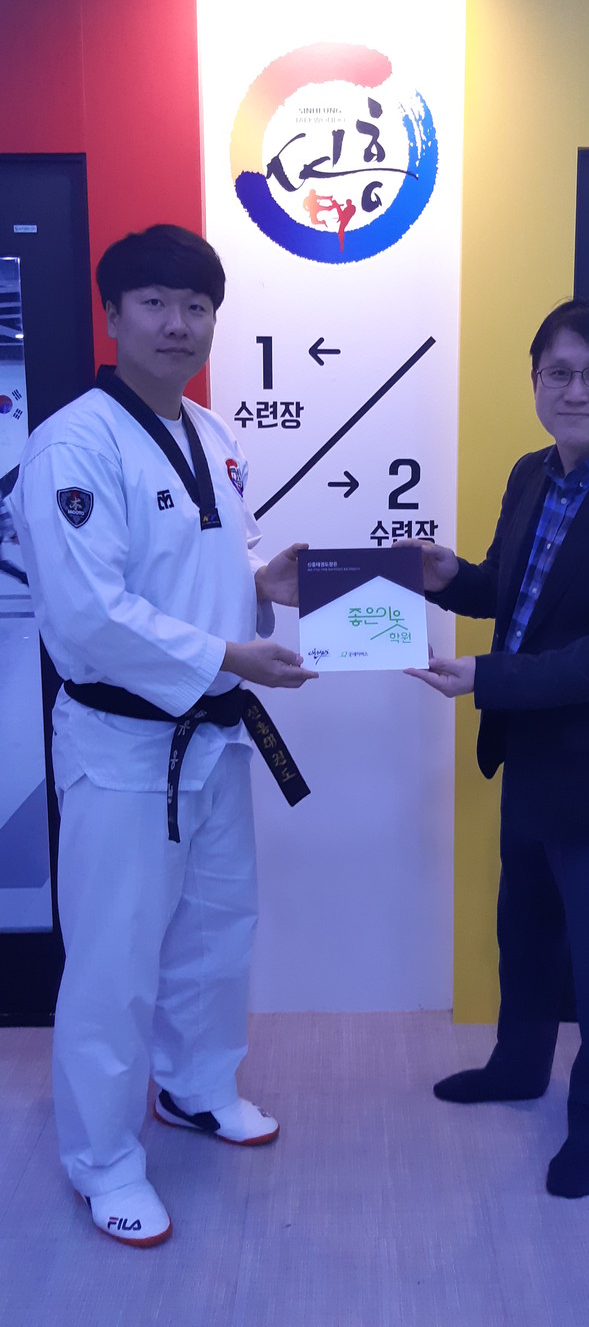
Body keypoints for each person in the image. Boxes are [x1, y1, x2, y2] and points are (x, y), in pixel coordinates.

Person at [10, 224, 317, 1246]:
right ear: (112, 314)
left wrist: (265, 583)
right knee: (114, 958)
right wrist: (231, 654)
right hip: (124, 746)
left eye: (197, 306)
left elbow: (204, 564)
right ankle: (101, 1159)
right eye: (155, 302)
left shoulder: (212, 434)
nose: (179, 323)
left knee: (218, 928)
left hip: (216, 735)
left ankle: (195, 1087)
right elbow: (87, 615)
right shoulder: (74, 444)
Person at [405, 298, 589, 1199]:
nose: (574, 391)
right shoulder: (533, 472)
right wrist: (453, 578)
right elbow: (515, 591)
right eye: (556, 373)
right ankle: (519, 1066)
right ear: (535, 381)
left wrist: (486, 679)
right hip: (531, 755)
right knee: (525, 930)